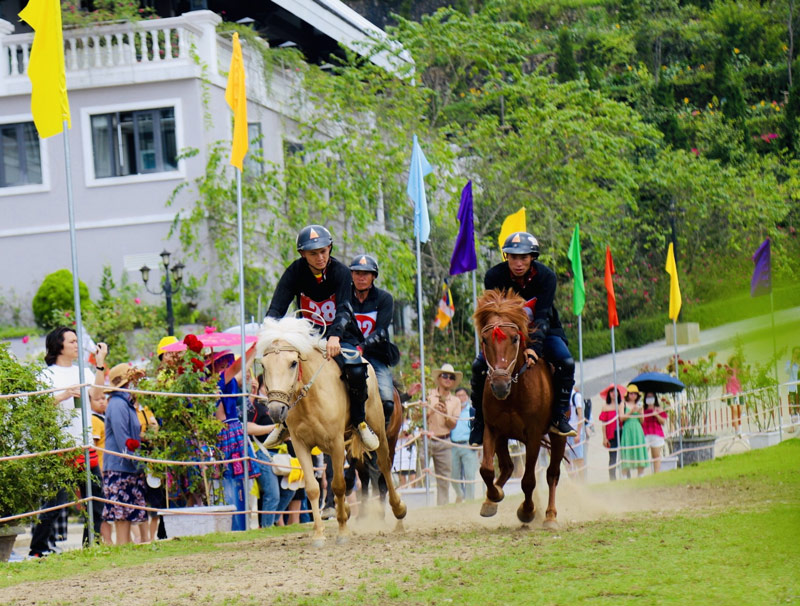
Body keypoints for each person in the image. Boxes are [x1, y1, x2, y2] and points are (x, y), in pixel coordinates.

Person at [263, 224, 379, 451]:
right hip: (306, 337)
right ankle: (283, 424)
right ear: (302, 254)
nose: (320, 257)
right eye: (313, 253)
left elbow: (345, 308)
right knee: (279, 366)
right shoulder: (294, 273)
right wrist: (268, 337)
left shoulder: (342, 272)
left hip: (342, 334)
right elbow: (276, 309)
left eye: (324, 251)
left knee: (356, 369)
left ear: (330, 249)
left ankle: (359, 422)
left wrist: (335, 337)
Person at [469, 232, 577, 445]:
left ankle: (559, 416)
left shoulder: (547, 277)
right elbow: (493, 314)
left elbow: (543, 315)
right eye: (513, 257)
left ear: (533, 257)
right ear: (506, 257)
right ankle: (479, 422)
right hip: (507, 335)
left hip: (543, 330)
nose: (518, 263)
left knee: (566, 362)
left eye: (524, 257)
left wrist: (534, 347)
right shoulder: (493, 277)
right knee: (478, 366)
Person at [28, 327, 108, 557]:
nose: (76, 345)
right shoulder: (45, 375)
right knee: (56, 502)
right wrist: (63, 395)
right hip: (60, 446)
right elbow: (37, 407)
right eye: (71, 341)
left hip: (83, 443)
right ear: (58, 345)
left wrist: (100, 364)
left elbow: (97, 394)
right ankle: (38, 548)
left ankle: (91, 543)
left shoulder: (82, 371)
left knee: (96, 499)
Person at [349, 253, 399, 426]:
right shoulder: (343, 296)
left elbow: (382, 332)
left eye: (366, 274)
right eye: (357, 273)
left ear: (373, 277)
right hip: (347, 353)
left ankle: (380, 436)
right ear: (352, 275)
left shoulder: (384, 299)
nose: (361, 277)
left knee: (387, 401)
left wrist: (362, 347)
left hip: (375, 356)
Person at [211, 351, 259, 532]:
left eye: (226, 364)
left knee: (240, 482)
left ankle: (241, 524)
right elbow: (239, 369)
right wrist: (253, 350)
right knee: (229, 482)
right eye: (220, 364)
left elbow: (240, 374)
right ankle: (235, 526)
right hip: (227, 433)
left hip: (234, 430)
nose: (225, 367)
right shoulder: (216, 384)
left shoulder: (228, 382)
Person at [102, 363, 148, 546]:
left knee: (129, 513)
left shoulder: (127, 404)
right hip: (119, 467)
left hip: (129, 465)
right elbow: (123, 440)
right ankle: (122, 547)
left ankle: (126, 547)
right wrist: (137, 460)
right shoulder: (118, 404)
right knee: (122, 514)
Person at [247, 373, 282, 528]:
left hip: (280, 453)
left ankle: (273, 519)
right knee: (272, 494)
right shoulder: (255, 407)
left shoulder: (279, 404)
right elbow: (248, 427)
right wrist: (274, 428)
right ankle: (266, 526)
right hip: (262, 452)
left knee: (289, 490)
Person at [426, 364, 462, 506]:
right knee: (423, 475)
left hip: (444, 441)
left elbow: (453, 425)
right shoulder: (428, 394)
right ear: (439, 378)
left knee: (444, 480)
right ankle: (423, 508)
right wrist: (432, 410)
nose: (448, 379)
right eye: (445, 376)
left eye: (451, 377)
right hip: (426, 438)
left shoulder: (456, 401)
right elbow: (416, 417)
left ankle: (442, 509)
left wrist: (446, 414)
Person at [450, 387, 477, 502]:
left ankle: (470, 500)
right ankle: (460, 495)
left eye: (463, 395)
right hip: (453, 445)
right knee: (453, 475)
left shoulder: (472, 411)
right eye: (458, 396)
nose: (460, 398)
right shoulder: (451, 411)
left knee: (470, 475)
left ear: (467, 397)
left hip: (467, 445)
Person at [619, 384, 648, 479]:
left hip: (637, 428)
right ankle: (624, 476)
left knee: (639, 450)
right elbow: (622, 418)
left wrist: (640, 412)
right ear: (627, 394)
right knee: (627, 450)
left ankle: (641, 474)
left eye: (635, 394)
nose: (633, 396)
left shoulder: (639, 405)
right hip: (627, 429)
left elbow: (642, 421)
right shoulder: (623, 404)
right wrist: (631, 411)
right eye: (631, 393)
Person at [598, 383, 625, 482]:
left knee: (624, 455)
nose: (614, 393)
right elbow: (603, 424)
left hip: (621, 432)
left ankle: (626, 476)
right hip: (611, 434)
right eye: (611, 391)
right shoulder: (605, 406)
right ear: (608, 394)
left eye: (615, 391)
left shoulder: (621, 404)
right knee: (612, 457)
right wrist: (604, 438)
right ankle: (612, 479)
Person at [641, 391, 668, 473]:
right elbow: (641, 421)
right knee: (642, 455)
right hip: (644, 433)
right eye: (648, 397)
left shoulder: (658, 409)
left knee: (656, 456)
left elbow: (663, 421)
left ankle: (656, 473)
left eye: (651, 397)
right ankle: (641, 473)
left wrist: (656, 414)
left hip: (656, 433)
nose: (649, 399)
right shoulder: (642, 409)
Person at [567, 386, 586, 480]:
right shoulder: (566, 395)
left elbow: (580, 415)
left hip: (575, 430)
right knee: (572, 459)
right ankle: (577, 481)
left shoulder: (576, 396)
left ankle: (582, 480)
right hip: (568, 431)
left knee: (579, 458)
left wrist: (578, 433)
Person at [393, 420, 418, 487]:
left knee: (413, 476)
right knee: (402, 478)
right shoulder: (395, 422)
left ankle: (414, 493)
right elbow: (391, 435)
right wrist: (400, 435)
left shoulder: (411, 422)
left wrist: (411, 436)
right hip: (399, 452)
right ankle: (403, 495)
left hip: (410, 453)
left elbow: (417, 434)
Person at [724, 355, 744, 435]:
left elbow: (741, 382)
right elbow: (725, 382)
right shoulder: (728, 370)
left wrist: (742, 391)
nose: (736, 363)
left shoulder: (739, 371)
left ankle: (738, 426)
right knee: (735, 410)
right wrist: (724, 393)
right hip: (731, 393)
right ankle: (737, 430)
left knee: (740, 410)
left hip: (739, 392)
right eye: (734, 361)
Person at [787, 347, 800, 424]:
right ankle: (794, 420)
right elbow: (787, 371)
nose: (797, 354)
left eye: (798, 353)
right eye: (795, 353)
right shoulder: (789, 362)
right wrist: (792, 362)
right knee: (793, 402)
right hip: (793, 386)